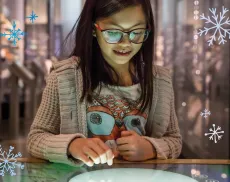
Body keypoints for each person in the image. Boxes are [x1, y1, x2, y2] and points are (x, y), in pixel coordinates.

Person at [26, 0, 182, 168]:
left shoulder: (160, 81)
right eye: (114, 32)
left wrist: (151, 148)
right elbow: (36, 138)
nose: (125, 43)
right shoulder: (65, 77)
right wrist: (72, 145)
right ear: (94, 29)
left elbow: (174, 140)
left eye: (136, 32)